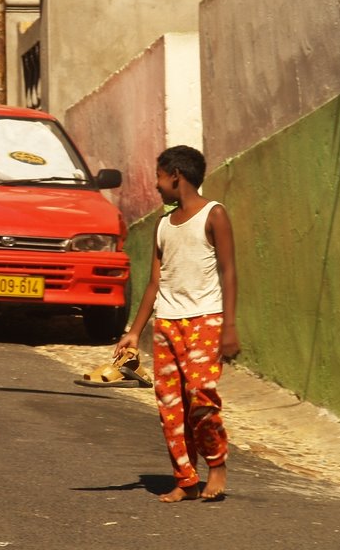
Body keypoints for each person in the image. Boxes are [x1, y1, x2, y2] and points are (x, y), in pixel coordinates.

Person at [116, 145, 240, 502]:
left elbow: (229, 271)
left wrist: (229, 327)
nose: (155, 185)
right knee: (170, 405)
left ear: (176, 176)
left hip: (206, 319)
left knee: (200, 396)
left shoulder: (214, 215)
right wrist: (134, 332)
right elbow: (155, 283)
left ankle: (216, 464)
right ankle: (185, 479)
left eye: (158, 176)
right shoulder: (162, 226)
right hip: (167, 324)